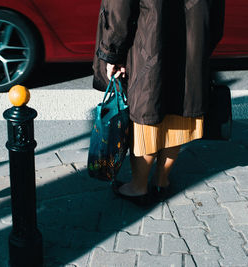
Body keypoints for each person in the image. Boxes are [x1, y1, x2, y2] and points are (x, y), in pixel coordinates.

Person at [92, 0, 225, 205]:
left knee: (148, 113)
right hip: (192, 45)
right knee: (179, 108)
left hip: (149, 45)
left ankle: (138, 187)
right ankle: (161, 180)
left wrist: (112, 53)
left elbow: (120, 10)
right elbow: (215, 15)